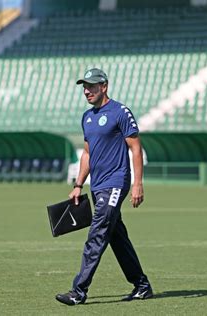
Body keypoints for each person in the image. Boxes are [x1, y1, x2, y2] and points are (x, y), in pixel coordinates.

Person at [55, 68, 153, 306]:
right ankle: (142, 286)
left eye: (91, 86)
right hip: (97, 186)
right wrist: (78, 185)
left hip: (116, 183)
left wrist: (138, 183)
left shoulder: (120, 112)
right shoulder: (87, 117)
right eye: (84, 87)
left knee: (97, 234)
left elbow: (136, 148)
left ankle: (78, 291)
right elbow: (87, 154)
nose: (86, 91)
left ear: (104, 86)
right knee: (116, 237)